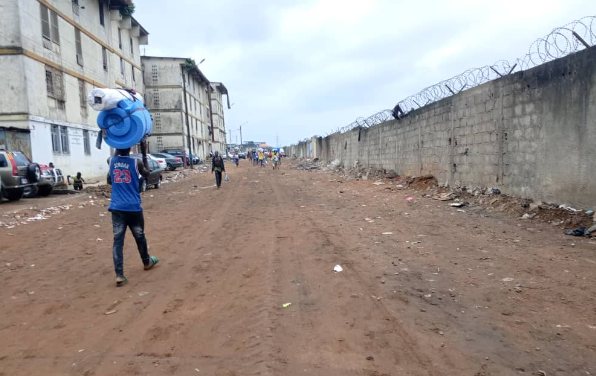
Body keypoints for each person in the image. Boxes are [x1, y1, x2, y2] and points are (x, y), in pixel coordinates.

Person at [108, 140, 159, 287]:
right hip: (133, 208)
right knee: (139, 236)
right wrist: (143, 152)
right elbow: (148, 175)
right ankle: (146, 261)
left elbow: (111, 178)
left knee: (118, 241)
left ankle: (119, 275)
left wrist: (118, 145)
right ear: (130, 147)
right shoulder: (137, 163)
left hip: (117, 208)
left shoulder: (111, 161)